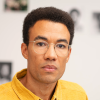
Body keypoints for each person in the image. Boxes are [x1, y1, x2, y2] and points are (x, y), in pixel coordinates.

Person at [0, 7, 88, 100]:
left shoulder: (78, 95)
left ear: (68, 54)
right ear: (25, 50)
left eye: (61, 46)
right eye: (41, 44)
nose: (51, 55)